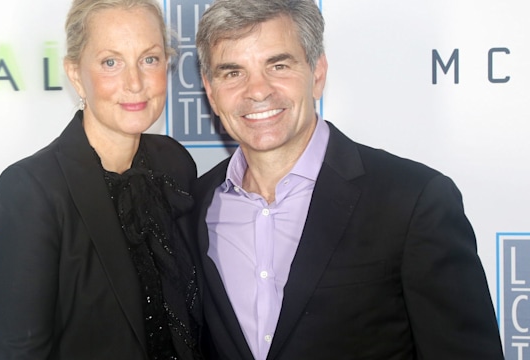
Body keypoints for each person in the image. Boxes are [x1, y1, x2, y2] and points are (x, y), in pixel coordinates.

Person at [192, 0, 504, 359]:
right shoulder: (193, 206)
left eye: (278, 65)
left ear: (318, 73)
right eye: (233, 73)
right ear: (211, 92)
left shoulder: (413, 202)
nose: (257, 90)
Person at [0, 0, 202, 358]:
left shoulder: (175, 164)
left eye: (149, 59)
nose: (135, 83)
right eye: (111, 62)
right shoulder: (33, 191)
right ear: (75, 74)